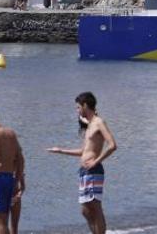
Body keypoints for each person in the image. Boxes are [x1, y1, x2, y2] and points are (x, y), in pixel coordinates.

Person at [47, 92, 117, 234]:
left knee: (95, 206)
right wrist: (61, 150)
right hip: (85, 171)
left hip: (94, 170)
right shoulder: (90, 125)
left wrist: (96, 161)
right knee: (85, 210)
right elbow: (83, 151)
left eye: (78, 107)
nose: (77, 110)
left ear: (85, 105)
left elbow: (112, 145)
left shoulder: (99, 122)